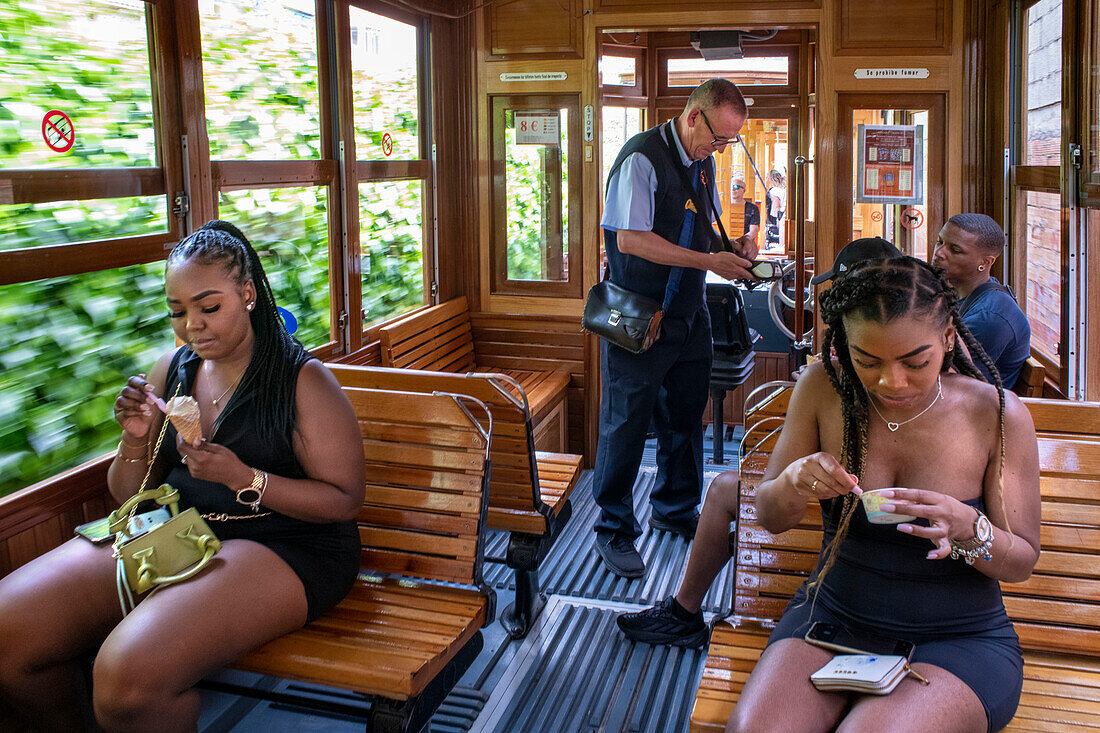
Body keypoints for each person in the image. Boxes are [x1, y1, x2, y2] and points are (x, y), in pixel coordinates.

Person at [0, 220, 366, 732]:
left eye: (208, 307)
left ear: (247, 293)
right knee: (9, 631)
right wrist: (133, 437)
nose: (192, 324)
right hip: (182, 527)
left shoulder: (302, 380)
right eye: (178, 311)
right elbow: (128, 495)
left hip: (286, 541)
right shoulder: (172, 370)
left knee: (126, 680)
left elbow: (345, 501)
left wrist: (244, 475)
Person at [720, 257, 1036, 732]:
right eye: (868, 361)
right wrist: (792, 482)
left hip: (957, 639)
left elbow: (1021, 562)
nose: (893, 382)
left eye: (915, 361)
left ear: (949, 336)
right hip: (832, 619)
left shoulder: (994, 412)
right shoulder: (824, 388)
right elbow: (771, 516)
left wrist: (969, 527)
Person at [618, 236, 902, 646]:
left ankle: (685, 610)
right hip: (835, 502)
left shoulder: (841, 377)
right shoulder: (837, 377)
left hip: (850, 510)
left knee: (724, 490)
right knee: (736, 490)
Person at [594, 78, 759, 578]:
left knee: (685, 414)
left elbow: (698, 228)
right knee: (626, 422)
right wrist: (708, 259)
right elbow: (632, 240)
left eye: (731, 140)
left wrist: (733, 251)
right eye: (719, 137)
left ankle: (675, 508)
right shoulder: (640, 159)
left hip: (688, 315)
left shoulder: (701, 163)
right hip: (639, 315)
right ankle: (614, 528)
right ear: (693, 117)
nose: (722, 147)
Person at [933, 213, 1030, 391]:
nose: (939, 253)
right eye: (940, 242)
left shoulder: (991, 317)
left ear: (985, 263)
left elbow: (944, 379)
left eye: (955, 250)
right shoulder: (962, 294)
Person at [730, 176, 760, 242]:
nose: (732, 189)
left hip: (744, 244)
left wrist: (739, 242)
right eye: (730, 187)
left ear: (744, 190)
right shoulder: (723, 208)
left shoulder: (753, 208)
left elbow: (753, 231)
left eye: (736, 187)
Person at [764, 169, 786, 251]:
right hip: (786, 209)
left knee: (781, 227)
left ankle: (782, 245)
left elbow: (777, 206)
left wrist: (777, 218)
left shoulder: (773, 191)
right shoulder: (784, 187)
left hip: (781, 211)